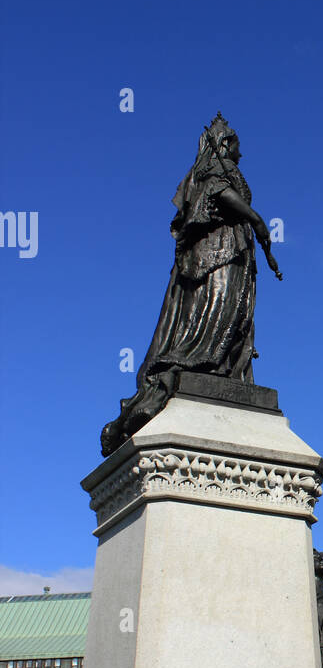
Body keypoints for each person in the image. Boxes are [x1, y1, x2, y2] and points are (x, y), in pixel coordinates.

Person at [101, 113, 281, 456]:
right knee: (216, 307)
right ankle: (201, 363)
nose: (241, 155)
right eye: (238, 147)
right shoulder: (211, 172)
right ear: (226, 144)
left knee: (233, 313)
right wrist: (255, 218)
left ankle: (221, 366)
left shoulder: (222, 170)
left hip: (235, 250)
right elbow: (218, 194)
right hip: (218, 252)